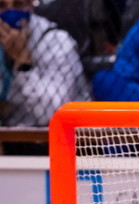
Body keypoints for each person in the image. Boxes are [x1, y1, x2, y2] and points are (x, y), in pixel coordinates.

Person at [0, 0, 89, 152]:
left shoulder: (57, 41)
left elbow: (52, 113)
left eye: (18, 4)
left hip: (59, 141)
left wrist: (23, 63)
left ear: (30, 5)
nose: (10, 12)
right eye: (1, 5)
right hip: (8, 138)